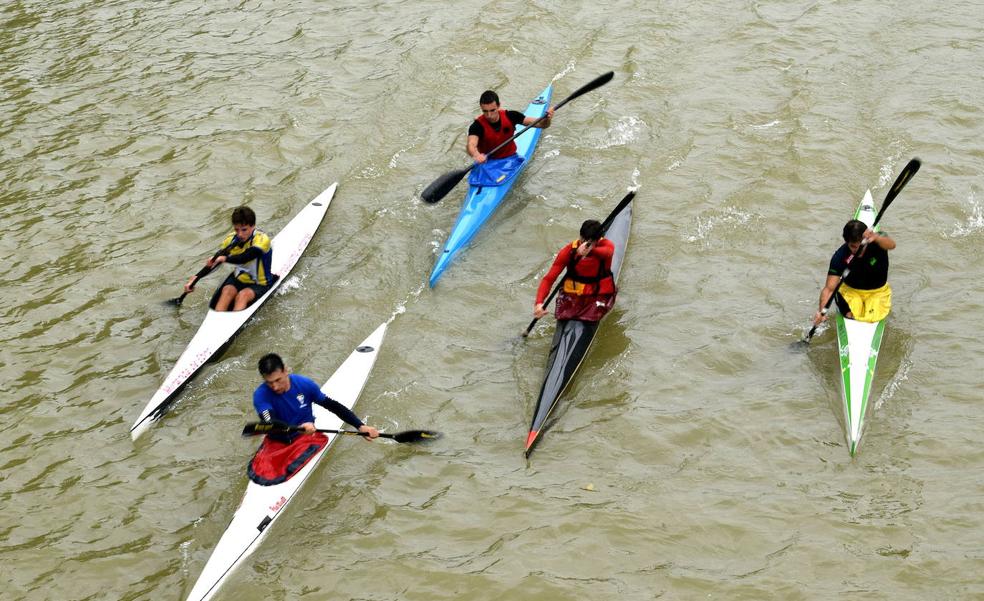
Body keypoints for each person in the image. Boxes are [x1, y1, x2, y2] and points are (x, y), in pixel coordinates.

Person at [253, 353, 379, 442]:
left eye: (278, 380)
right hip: (278, 439)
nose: (274, 387)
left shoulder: (305, 385)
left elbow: (332, 406)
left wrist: (360, 426)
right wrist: (299, 428)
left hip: (307, 437)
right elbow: (270, 423)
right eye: (269, 382)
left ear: (285, 371)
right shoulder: (260, 395)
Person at [184, 206, 273, 311]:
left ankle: (235, 323)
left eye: (244, 229)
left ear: (253, 226)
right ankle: (216, 320)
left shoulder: (262, 240)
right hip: (238, 279)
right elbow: (215, 264)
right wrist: (196, 277)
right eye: (236, 229)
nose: (240, 234)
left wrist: (224, 259)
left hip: (260, 283)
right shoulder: (230, 240)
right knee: (226, 291)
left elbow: (245, 257)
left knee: (242, 295)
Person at [814, 219, 896, 325]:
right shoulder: (840, 256)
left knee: (872, 319)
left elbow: (892, 245)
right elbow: (829, 289)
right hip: (851, 291)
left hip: (877, 292)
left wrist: (876, 237)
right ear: (847, 242)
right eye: (853, 246)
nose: (857, 250)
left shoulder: (879, 241)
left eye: (860, 245)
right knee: (850, 315)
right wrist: (821, 312)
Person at [533, 219, 617, 322]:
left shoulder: (606, 246)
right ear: (580, 236)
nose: (584, 245)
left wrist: (591, 250)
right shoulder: (568, 252)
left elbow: (608, 252)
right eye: (582, 241)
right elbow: (548, 279)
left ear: (598, 240)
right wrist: (539, 303)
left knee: (591, 317)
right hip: (573, 295)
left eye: (589, 243)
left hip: (598, 294)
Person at [466, 90, 554, 164]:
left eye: (492, 110)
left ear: (498, 105)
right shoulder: (477, 126)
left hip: (510, 159)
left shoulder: (511, 116)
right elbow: (471, 144)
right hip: (487, 161)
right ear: (481, 108)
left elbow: (542, 125)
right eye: (485, 111)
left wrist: (547, 119)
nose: (489, 115)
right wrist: (476, 155)